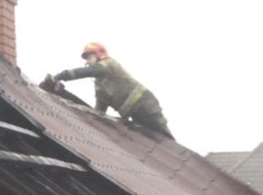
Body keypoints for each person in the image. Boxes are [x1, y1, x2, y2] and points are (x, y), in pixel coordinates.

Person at [43, 43, 174, 139]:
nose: (88, 62)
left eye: (89, 57)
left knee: (164, 136)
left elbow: (86, 72)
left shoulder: (109, 64)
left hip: (146, 105)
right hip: (135, 113)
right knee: (154, 139)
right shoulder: (100, 87)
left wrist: (59, 76)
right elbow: (99, 113)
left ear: (99, 55)